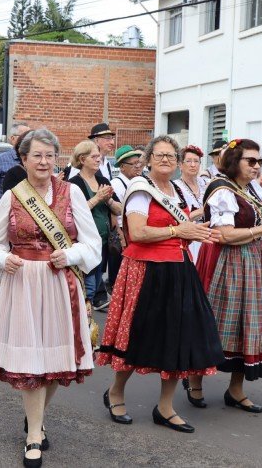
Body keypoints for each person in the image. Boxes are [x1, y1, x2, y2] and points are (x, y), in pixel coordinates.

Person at [0, 129, 101, 467]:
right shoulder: (12, 197)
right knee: (31, 362)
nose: (44, 162)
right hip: (23, 284)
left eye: (50, 155)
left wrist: (72, 254)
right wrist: (2, 259)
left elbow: (92, 243)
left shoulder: (72, 193)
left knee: (56, 362)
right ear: (23, 159)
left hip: (61, 284)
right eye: (37, 155)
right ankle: (34, 433)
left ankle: (34, 416)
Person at [96, 135, 224, 433]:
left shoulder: (175, 189)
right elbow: (139, 233)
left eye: (171, 156)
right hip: (145, 269)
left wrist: (194, 231)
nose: (166, 160)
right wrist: (179, 228)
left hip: (178, 268)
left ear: (178, 163)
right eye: (160, 155)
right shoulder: (141, 190)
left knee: (178, 338)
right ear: (149, 160)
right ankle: (115, 392)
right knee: (137, 334)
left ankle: (165, 407)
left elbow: (178, 229)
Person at [192, 139, 262, 413]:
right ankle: (195, 379)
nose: (257, 165)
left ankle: (235, 389)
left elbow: (259, 222)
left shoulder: (249, 188)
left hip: (254, 261)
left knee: (249, 323)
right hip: (229, 262)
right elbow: (225, 235)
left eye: (259, 161)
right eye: (251, 160)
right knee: (217, 321)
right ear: (235, 160)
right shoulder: (221, 189)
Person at [67, 141, 123, 311]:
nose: (99, 160)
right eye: (94, 156)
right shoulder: (74, 183)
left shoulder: (103, 179)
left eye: (99, 156)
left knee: (96, 280)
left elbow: (119, 209)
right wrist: (97, 198)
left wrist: (109, 200)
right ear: (82, 159)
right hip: (84, 242)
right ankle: (81, 324)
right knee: (88, 287)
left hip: (104, 241)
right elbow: (74, 212)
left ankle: (85, 323)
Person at [108, 145, 144, 287]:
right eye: (133, 164)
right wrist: (121, 237)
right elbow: (114, 214)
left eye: (139, 163)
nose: (138, 167)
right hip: (123, 233)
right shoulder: (116, 184)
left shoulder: (138, 182)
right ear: (122, 167)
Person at [173, 145, 207, 262]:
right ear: (180, 165)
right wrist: (204, 210)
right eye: (188, 161)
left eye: (196, 161)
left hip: (208, 237)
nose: (193, 165)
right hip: (190, 238)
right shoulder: (175, 187)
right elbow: (177, 218)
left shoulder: (206, 183)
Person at [0, 123, 31, 204]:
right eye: (25, 137)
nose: (29, 141)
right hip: (5, 211)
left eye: (31, 137)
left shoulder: (33, 160)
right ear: (13, 138)